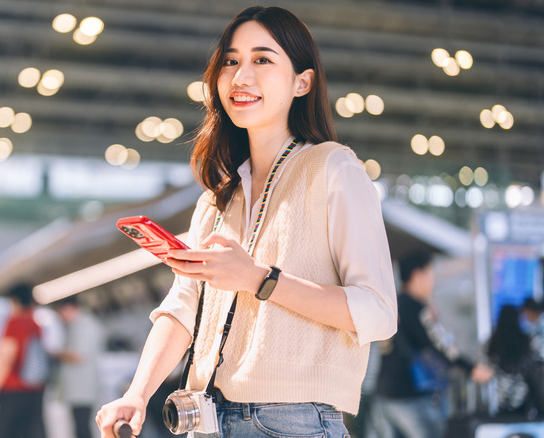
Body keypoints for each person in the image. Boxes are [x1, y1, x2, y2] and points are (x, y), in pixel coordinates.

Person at [95, 6, 398, 438]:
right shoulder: (218, 199)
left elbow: (379, 312)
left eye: (262, 59)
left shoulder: (333, 168)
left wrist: (259, 279)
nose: (240, 76)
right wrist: (137, 394)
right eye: (231, 61)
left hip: (293, 423)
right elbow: (183, 309)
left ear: (302, 82)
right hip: (206, 421)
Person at [374, 251, 494, 438]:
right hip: (409, 393)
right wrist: (470, 368)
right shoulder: (416, 308)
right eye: (430, 274)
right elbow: (439, 345)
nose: (433, 281)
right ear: (417, 276)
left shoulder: (392, 304)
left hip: (384, 392)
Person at [0, 283, 46, 438]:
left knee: (2, 432)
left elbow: (7, 357)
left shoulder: (13, 322)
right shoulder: (36, 324)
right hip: (34, 390)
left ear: (14, 301)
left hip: (12, 389)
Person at [54, 295, 106, 438]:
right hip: (76, 388)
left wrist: (55, 353)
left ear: (71, 308)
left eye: (62, 311)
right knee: (79, 426)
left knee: (83, 426)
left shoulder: (86, 325)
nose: (61, 316)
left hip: (82, 387)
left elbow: (79, 355)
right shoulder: (74, 325)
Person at [486, 304, 544, 417]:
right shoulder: (527, 341)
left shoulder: (492, 344)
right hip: (525, 398)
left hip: (499, 400)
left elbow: (484, 368)